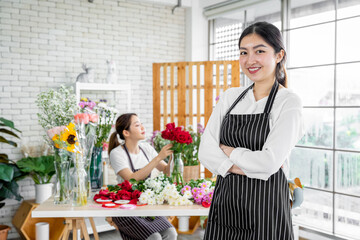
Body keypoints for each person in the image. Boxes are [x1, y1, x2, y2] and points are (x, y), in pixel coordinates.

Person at [199, 21, 304, 239]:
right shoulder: (230, 97)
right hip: (226, 204)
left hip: (266, 207)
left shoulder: (288, 102)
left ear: (278, 55)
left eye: (260, 51)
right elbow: (205, 151)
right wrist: (245, 165)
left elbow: (269, 163)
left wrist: (228, 152)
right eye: (243, 52)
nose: (250, 60)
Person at [108, 113, 177, 240]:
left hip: (146, 204)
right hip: (125, 207)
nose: (142, 127)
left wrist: (175, 154)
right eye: (137, 125)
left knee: (171, 233)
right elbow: (131, 178)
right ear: (126, 133)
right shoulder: (117, 153)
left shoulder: (146, 148)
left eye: (141, 124)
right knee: (154, 237)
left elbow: (167, 171)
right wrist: (158, 158)